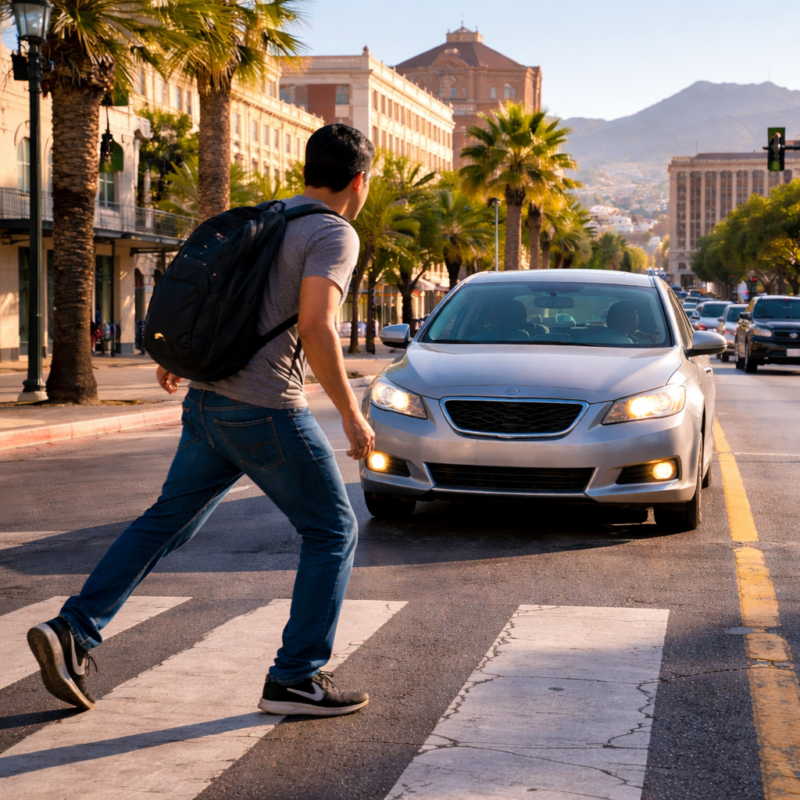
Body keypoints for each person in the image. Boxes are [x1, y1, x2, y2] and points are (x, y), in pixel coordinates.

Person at [27, 124, 377, 718]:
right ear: (359, 181)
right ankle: (295, 678)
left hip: (209, 402)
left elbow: (211, 297)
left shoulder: (265, 218)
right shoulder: (331, 233)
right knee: (332, 532)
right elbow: (317, 325)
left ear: (306, 172)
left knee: (168, 521)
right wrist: (351, 414)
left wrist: (177, 355)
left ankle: (74, 628)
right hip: (267, 408)